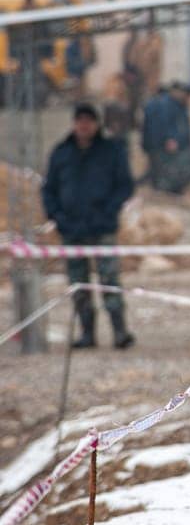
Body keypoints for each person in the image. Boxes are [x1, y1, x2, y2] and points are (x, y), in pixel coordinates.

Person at [42, 103, 135, 349]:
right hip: (72, 231)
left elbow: (124, 186)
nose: (84, 125)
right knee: (78, 282)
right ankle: (87, 333)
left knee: (109, 280)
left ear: (96, 124)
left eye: (89, 121)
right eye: (80, 120)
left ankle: (119, 332)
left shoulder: (111, 151)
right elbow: (49, 190)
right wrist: (59, 218)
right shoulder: (61, 153)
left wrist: (107, 213)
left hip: (102, 228)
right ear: (74, 123)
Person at [142, 81, 190, 194]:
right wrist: (169, 139)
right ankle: (164, 192)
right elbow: (163, 124)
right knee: (167, 171)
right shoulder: (165, 104)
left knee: (161, 171)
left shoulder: (179, 105)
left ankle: (167, 191)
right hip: (162, 146)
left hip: (168, 145)